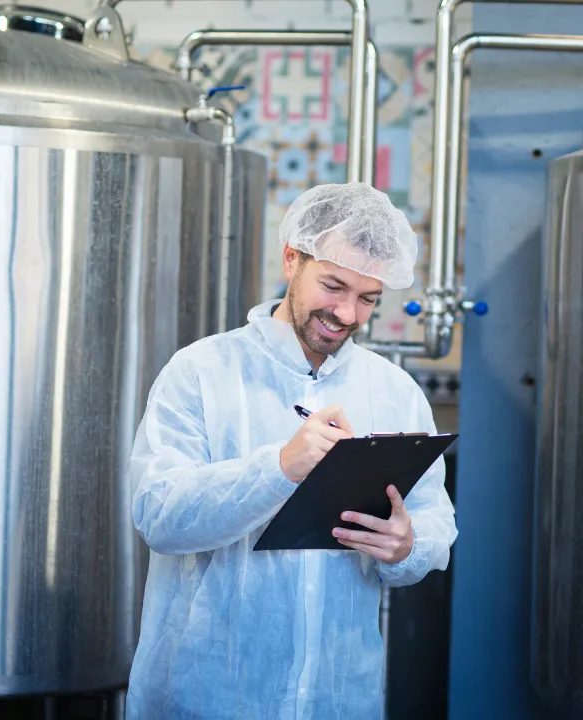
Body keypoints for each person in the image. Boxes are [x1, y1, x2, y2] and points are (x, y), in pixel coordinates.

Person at [125, 183, 459, 720]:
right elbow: (160, 516)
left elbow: (434, 522)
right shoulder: (202, 372)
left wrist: (409, 546)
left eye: (368, 298)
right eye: (334, 286)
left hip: (339, 696)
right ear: (291, 260)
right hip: (209, 693)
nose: (348, 313)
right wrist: (280, 467)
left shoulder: (393, 391)